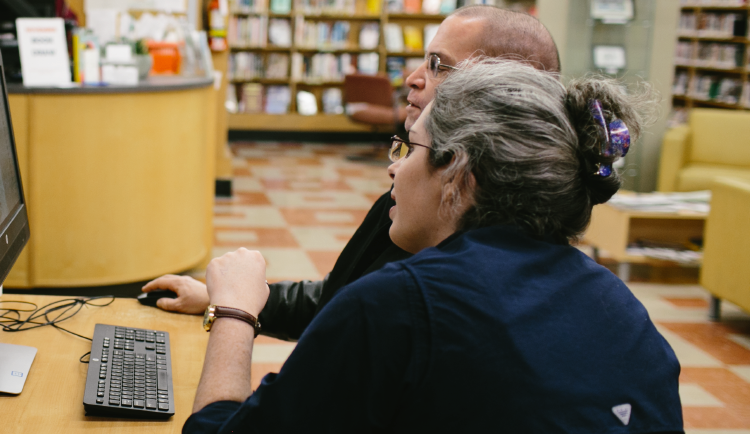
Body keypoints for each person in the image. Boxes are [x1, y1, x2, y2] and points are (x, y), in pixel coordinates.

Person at [184, 58, 683, 433]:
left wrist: (235, 314)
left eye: (410, 147)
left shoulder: (398, 304)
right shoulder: (620, 305)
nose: (394, 168)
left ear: (460, 174)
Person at [142, 5, 562, 341]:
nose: (412, 79)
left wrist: (234, 315)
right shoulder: (409, 199)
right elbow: (337, 299)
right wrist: (226, 296)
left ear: (502, 93)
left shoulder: (452, 288)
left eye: (436, 64)